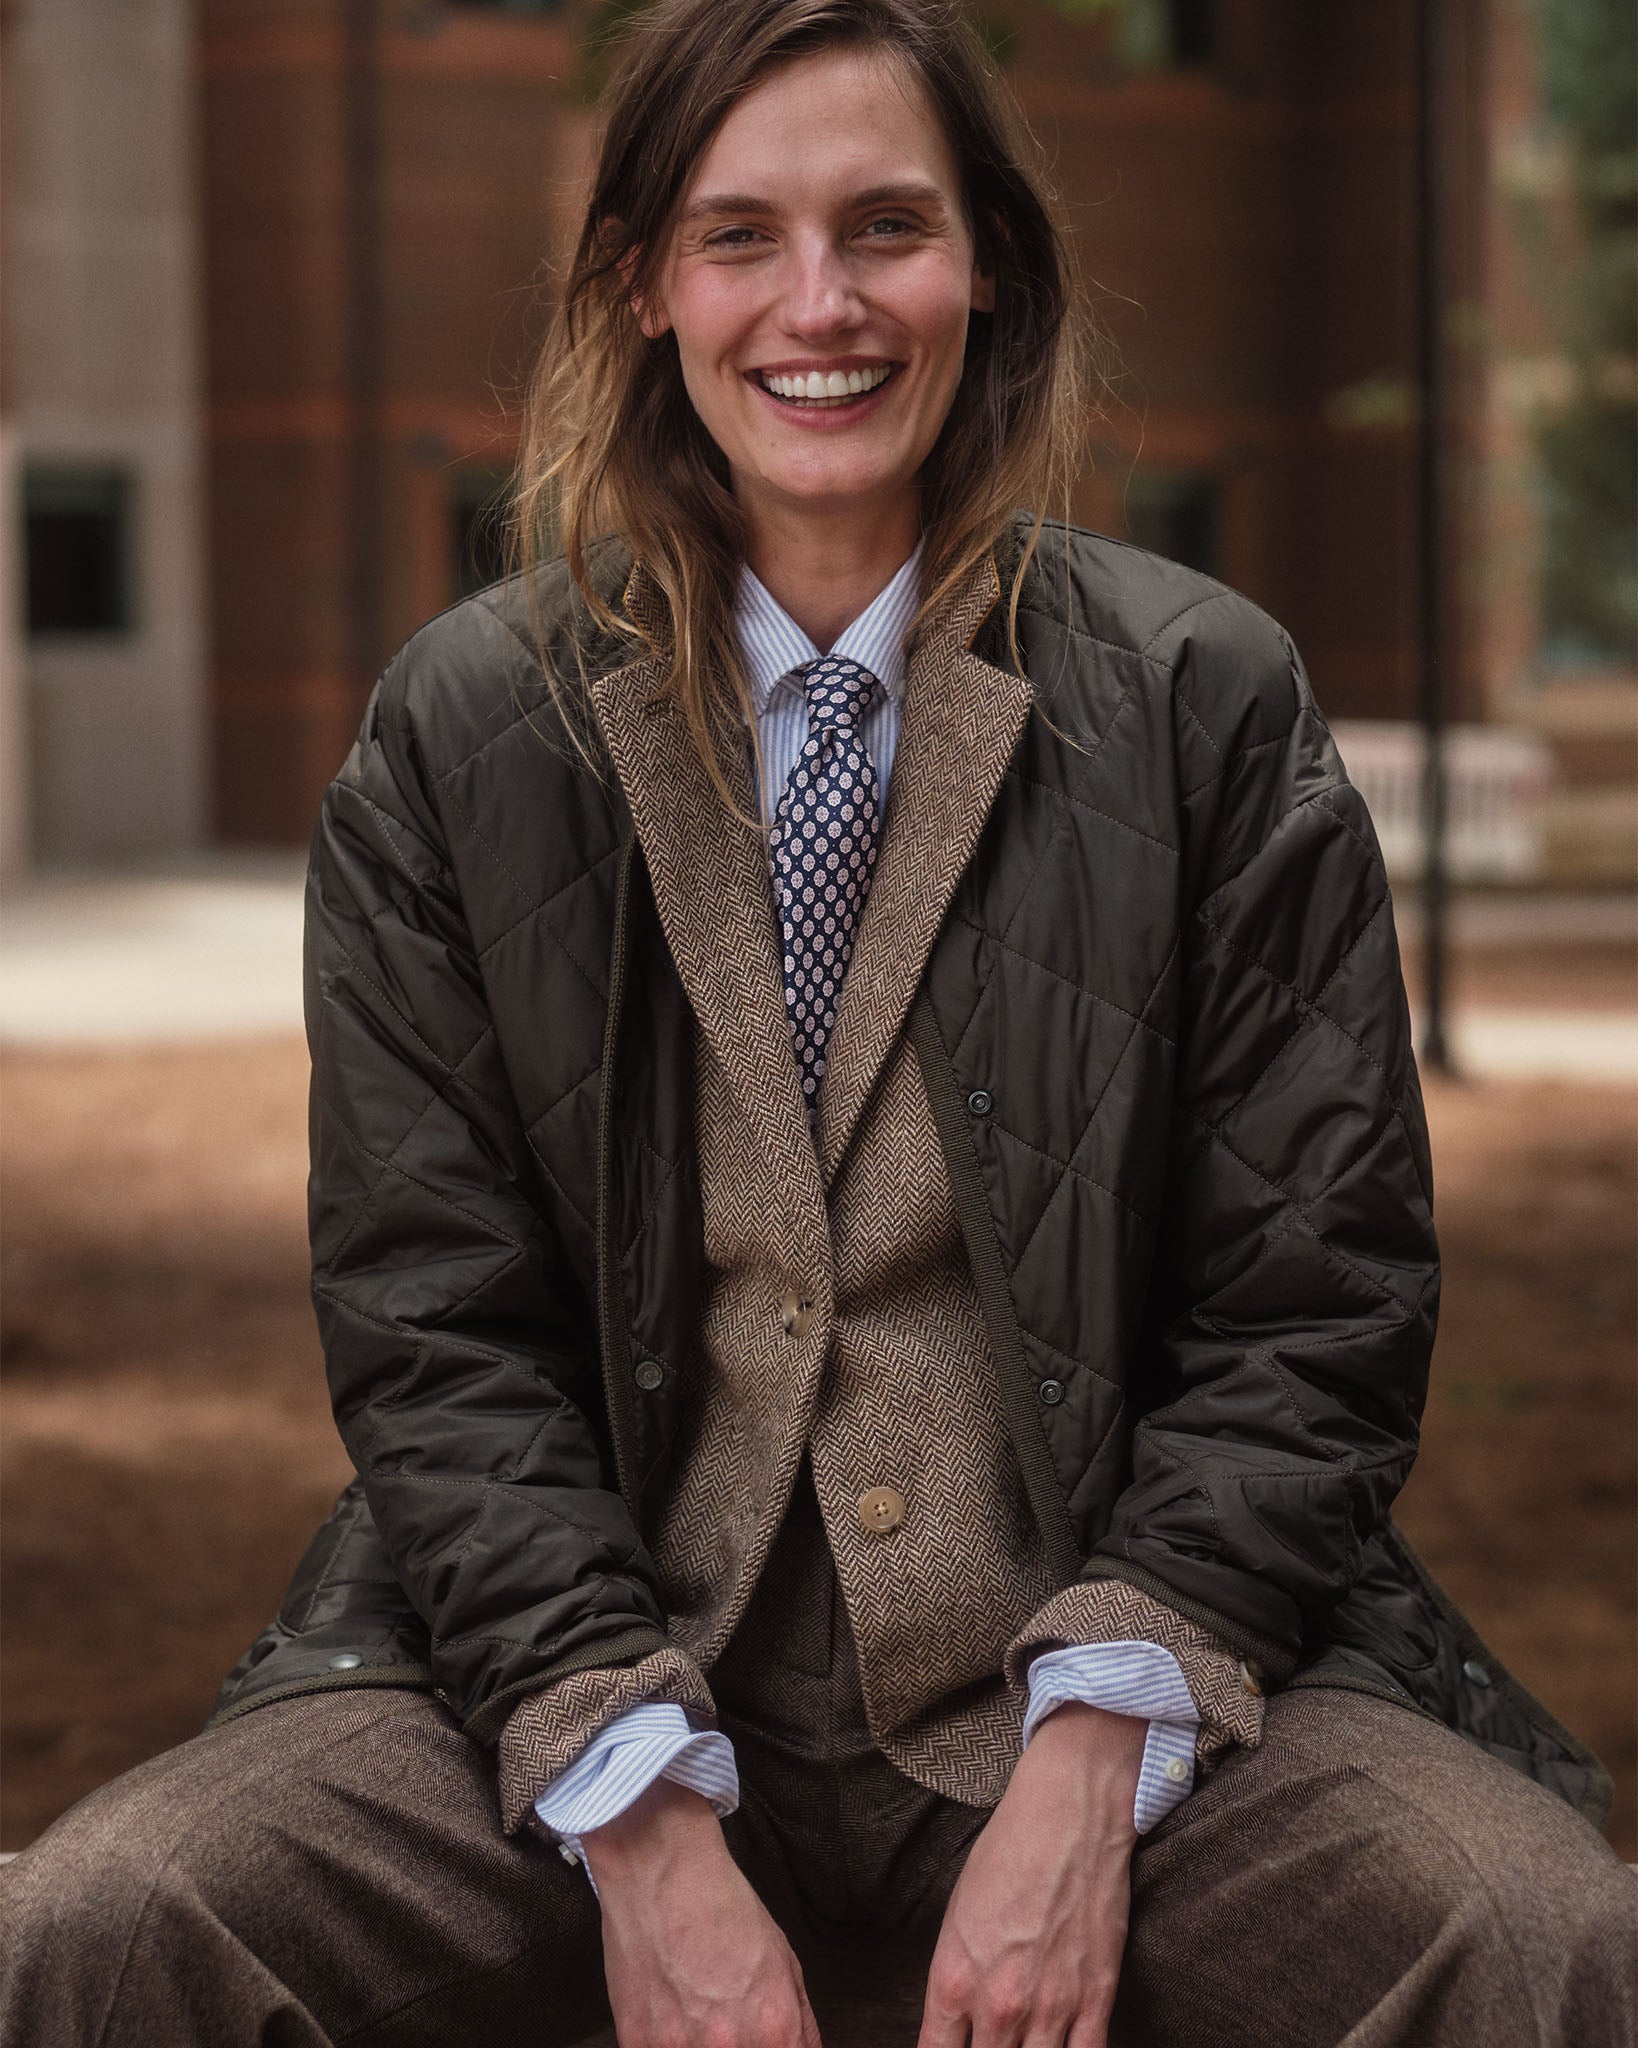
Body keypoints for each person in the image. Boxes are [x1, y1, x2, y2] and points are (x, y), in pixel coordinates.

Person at [2, 2, 1633, 2043]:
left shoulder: (1205, 703)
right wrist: (630, 1803)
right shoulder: (462, 735)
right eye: (738, 236)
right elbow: (435, 1334)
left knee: (1547, 1946)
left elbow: (1316, 1311)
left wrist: (1091, 1761)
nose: (820, 305)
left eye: (885, 226)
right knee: (98, 1931)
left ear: (989, 268)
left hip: (1103, 1669)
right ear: (643, 287)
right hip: (574, 1687)